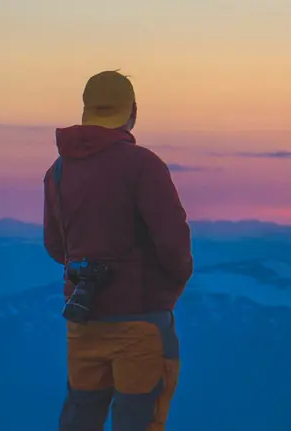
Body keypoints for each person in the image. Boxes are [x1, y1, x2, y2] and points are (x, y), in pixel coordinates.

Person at [43, 70, 194, 431]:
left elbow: (55, 247)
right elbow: (174, 244)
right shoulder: (143, 165)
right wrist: (166, 290)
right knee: (140, 421)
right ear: (133, 111)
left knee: (81, 417)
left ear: (86, 111)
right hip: (140, 322)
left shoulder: (58, 172)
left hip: (84, 322)